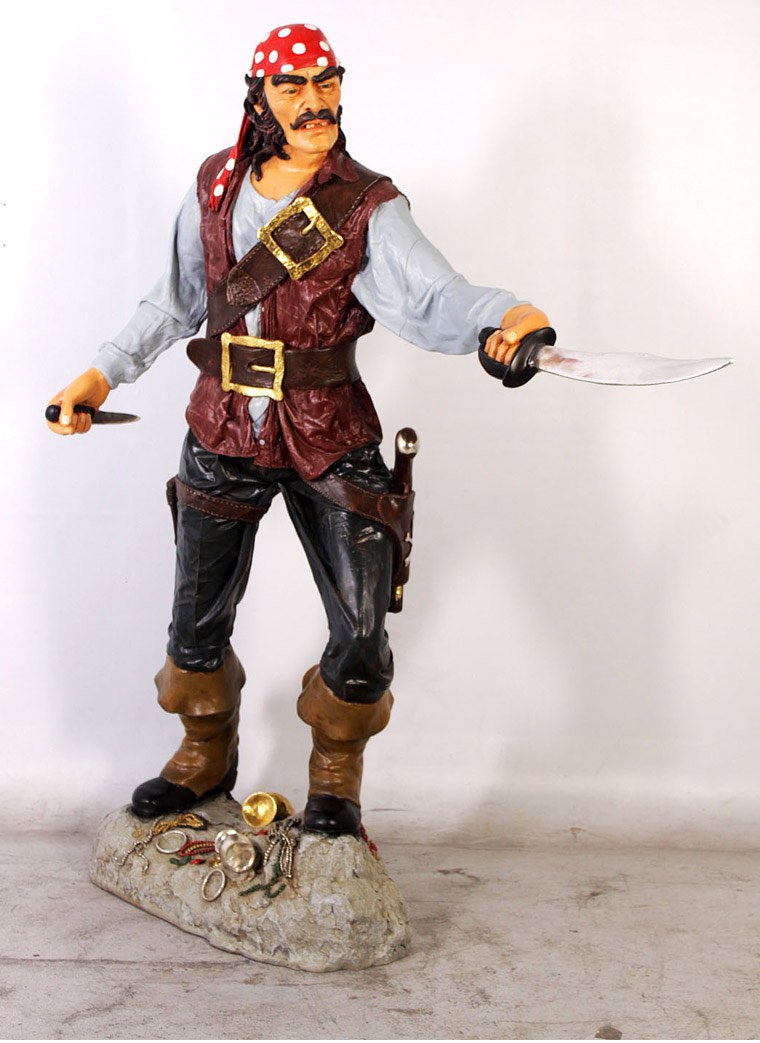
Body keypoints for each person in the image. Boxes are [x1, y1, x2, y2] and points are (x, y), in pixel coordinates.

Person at [47, 23, 550, 837]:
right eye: (293, 86)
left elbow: (436, 294)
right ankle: (204, 751)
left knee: (362, 629)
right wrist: (102, 371)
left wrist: (508, 316)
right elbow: (174, 298)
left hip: (329, 430)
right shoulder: (215, 186)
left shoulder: (368, 205)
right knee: (195, 622)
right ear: (261, 98)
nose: (315, 101)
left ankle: (335, 774)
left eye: (326, 81)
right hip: (222, 427)